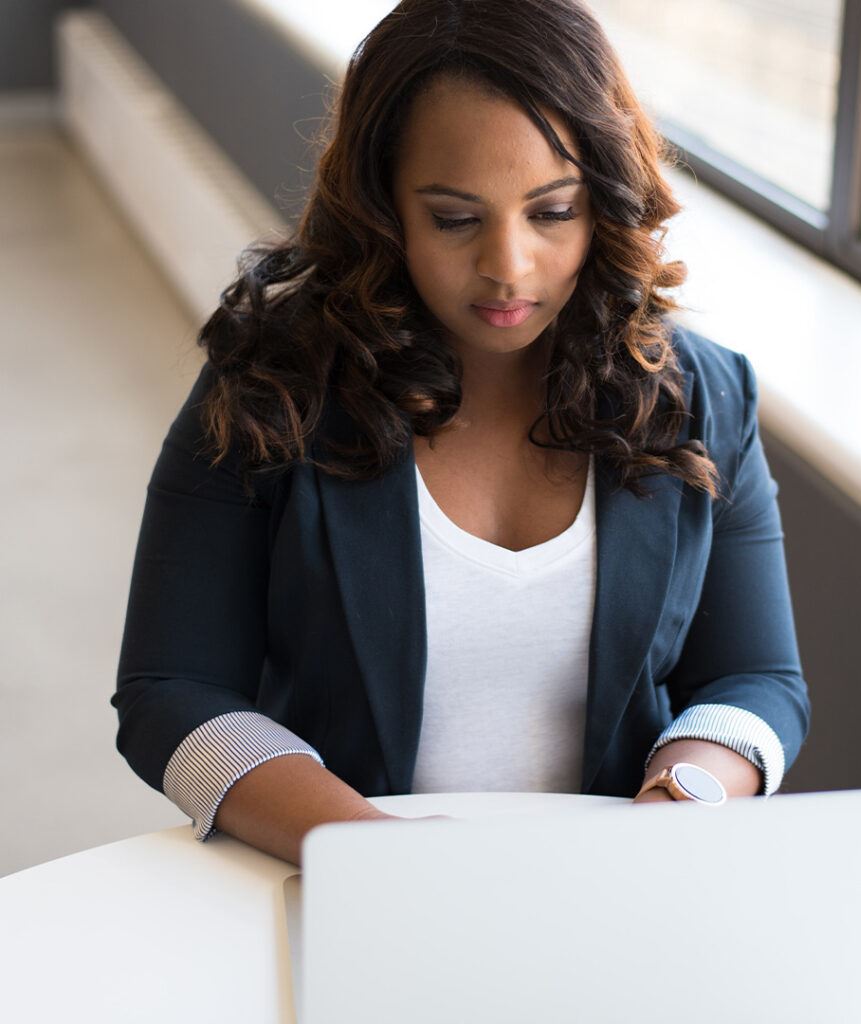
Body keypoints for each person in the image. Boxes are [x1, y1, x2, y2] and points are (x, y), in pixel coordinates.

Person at [112, 0, 810, 868]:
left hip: (610, 894)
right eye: (453, 218)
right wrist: (370, 852)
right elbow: (168, 691)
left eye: (552, 212)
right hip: (345, 883)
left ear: (602, 203)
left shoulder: (702, 394)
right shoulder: (272, 382)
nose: (508, 267)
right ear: (381, 205)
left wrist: (686, 794)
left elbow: (757, 680)